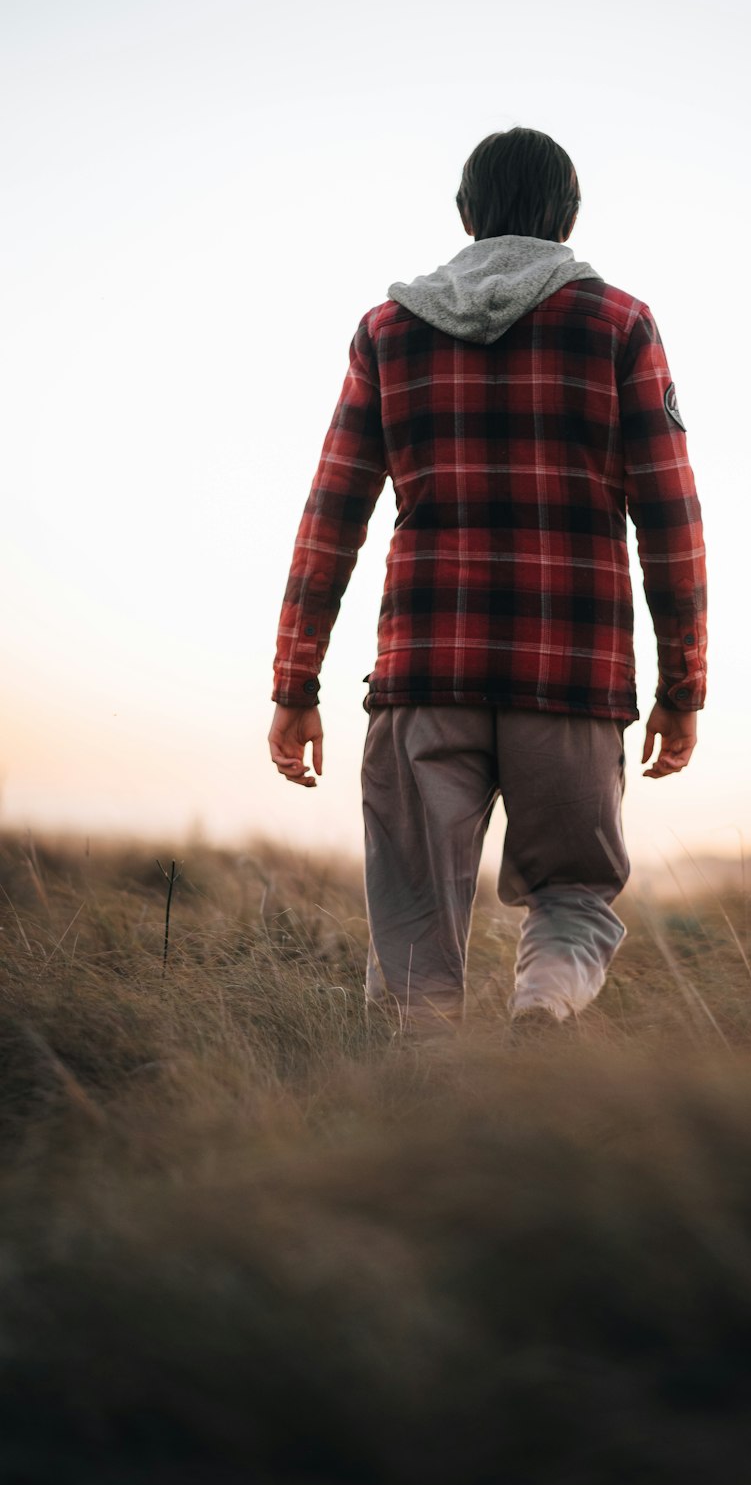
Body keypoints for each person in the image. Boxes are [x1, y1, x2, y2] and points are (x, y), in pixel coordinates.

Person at [268, 127, 707, 1032]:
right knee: (576, 895)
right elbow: (670, 516)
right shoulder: (619, 324)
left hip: (426, 673)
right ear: (570, 218)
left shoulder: (387, 332)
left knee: (413, 929)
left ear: (466, 215)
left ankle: (426, 1111)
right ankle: (544, 1003)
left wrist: (294, 683)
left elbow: (332, 515)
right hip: (572, 677)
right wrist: (683, 685)